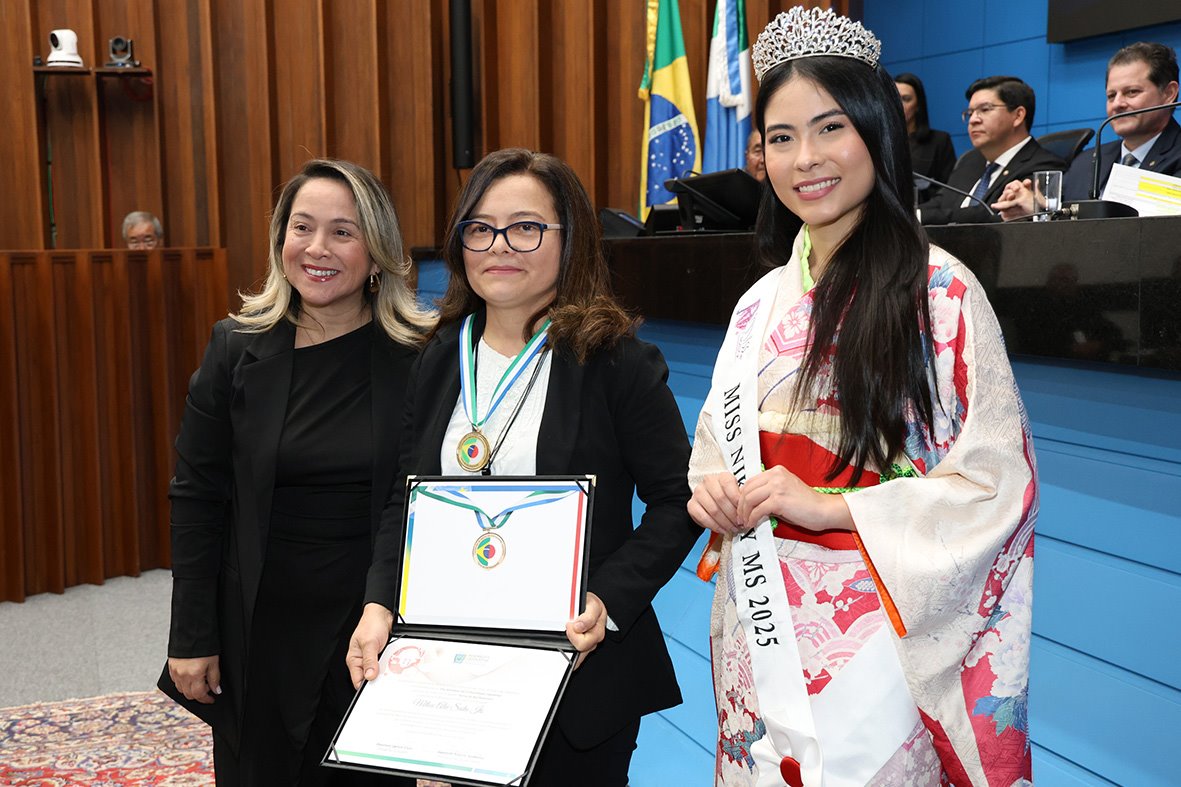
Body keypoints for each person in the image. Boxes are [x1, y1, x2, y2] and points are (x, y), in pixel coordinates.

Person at [688, 7, 1037, 786]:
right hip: (761, 617)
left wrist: (831, 507)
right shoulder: (756, 305)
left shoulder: (940, 293)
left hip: (880, 629)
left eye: (829, 128)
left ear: (876, 132)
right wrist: (710, 491)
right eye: (781, 137)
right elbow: (716, 449)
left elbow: (995, 486)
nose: (805, 158)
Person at [348, 148, 702, 785]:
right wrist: (378, 604)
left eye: (527, 227)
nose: (499, 246)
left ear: (571, 240)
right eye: (480, 229)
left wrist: (606, 600)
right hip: (448, 668)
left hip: (575, 672)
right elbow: (406, 500)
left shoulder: (615, 360)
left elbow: (679, 500)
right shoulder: (437, 358)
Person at [159, 159, 434, 786]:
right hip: (259, 627)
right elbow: (196, 497)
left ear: (378, 251)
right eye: (302, 227)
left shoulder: (421, 357)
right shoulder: (235, 348)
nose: (317, 248)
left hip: (372, 628)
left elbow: (420, 498)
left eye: (343, 231)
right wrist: (192, 634)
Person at [995, 42, 1181, 220]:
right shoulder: (1085, 162)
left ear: (1169, 93)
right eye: (1111, 96)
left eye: (1132, 92)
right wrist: (1033, 211)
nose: (1117, 104)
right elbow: (1062, 223)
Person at [917, 74, 1064, 224]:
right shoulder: (969, 161)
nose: (973, 120)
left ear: (1018, 116)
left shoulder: (1043, 166)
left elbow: (995, 216)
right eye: (970, 113)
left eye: (985, 109)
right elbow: (940, 203)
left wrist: (923, 217)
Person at [894, 72, 956, 198]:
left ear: (918, 105)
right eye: (894, 98)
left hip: (924, 208)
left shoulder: (939, 140)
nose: (898, 104)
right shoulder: (879, 141)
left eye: (906, 99)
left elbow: (948, 190)